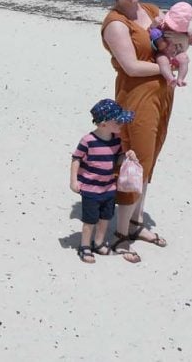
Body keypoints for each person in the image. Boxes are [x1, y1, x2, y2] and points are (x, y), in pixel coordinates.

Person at [101, 0, 192, 260]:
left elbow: (171, 43)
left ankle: (136, 223)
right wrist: (167, 68)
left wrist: (185, 45)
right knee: (135, 163)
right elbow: (131, 65)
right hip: (136, 98)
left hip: (163, 96)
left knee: (150, 159)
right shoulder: (116, 23)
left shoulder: (153, 11)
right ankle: (120, 234)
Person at [70, 99, 141, 264]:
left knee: (105, 218)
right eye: (117, 122)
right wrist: (73, 180)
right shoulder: (87, 141)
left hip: (109, 187)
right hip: (90, 189)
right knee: (90, 220)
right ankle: (85, 246)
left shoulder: (116, 139)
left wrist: (128, 155)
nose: (121, 125)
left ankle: (99, 243)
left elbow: (117, 159)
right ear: (103, 124)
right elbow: (76, 159)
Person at [150, 1, 192, 87]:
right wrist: (153, 25)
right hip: (163, 52)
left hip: (176, 53)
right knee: (162, 60)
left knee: (184, 59)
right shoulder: (162, 25)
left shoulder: (184, 31)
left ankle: (180, 79)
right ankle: (170, 78)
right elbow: (152, 32)